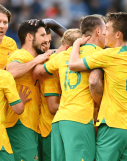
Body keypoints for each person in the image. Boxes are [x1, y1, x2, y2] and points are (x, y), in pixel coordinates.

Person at [31, 15, 106, 161]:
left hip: (59, 121)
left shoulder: (63, 55)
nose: (105, 36)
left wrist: (50, 53)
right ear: (97, 31)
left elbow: (36, 72)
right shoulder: (99, 54)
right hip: (80, 119)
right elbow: (94, 82)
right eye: (104, 31)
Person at [69, 12, 127, 161]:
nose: (105, 32)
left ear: (118, 34)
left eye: (107, 28)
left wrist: (76, 44)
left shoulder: (109, 55)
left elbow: (73, 65)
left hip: (113, 125)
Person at [5, 20, 50, 161]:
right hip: (20, 122)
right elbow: (11, 71)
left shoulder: (36, 57)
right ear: (30, 37)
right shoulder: (21, 54)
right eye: (42, 35)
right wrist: (35, 62)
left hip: (30, 124)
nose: (46, 40)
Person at [38, 28, 82, 161]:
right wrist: (79, 105)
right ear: (70, 48)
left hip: (63, 126)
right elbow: (52, 107)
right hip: (49, 130)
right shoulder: (51, 67)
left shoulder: (64, 62)